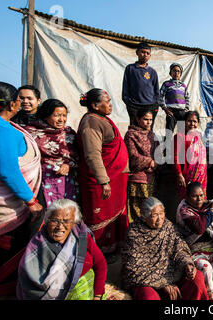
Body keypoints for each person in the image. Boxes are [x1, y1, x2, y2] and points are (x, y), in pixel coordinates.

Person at [0, 82, 43, 298]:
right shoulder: (2, 130)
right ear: (12, 104)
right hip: (7, 205)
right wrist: (31, 201)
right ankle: (4, 290)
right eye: (19, 99)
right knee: (9, 248)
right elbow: (7, 171)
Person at [17, 199, 107, 300]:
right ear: (47, 221)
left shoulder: (81, 236)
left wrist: (97, 296)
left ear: (74, 222)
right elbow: (29, 285)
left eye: (66, 221)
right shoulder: (37, 246)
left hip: (90, 291)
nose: (60, 227)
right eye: (55, 220)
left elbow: (100, 263)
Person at [121, 197, 209, 300]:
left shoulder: (167, 226)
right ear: (144, 217)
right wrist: (162, 284)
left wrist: (187, 264)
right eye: (154, 215)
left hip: (171, 275)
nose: (159, 219)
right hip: (146, 281)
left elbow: (179, 249)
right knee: (148, 297)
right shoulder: (134, 233)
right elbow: (134, 269)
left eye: (161, 213)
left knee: (196, 278)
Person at [77, 88, 129, 259]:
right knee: (99, 218)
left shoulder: (101, 119)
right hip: (102, 182)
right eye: (106, 102)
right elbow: (92, 154)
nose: (110, 105)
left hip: (114, 179)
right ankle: (98, 256)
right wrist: (103, 181)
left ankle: (113, 250)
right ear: (94, 105)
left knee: (114, 218)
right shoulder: (91, 122)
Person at [24, 99, 79, 208]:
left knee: (66, 211)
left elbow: (78, 155)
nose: (61, 119)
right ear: (46, 115)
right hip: (40, 180)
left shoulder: (69, 133)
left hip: (67, 181)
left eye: (64, 115)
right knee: (47, 212)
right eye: (57, 115)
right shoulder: (30, 132)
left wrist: (68, 165)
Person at [124, 109, 159, 223]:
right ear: (138, 119)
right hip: (137, 180)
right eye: (145, 119)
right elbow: (132, 155)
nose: (149, 122)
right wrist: (150, 162)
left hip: (151, 179)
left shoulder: (152, 135)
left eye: (151, 120)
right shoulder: (131, 134)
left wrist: (157, 162)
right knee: (138, 211)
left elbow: (158, 153)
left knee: (151, 210)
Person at [122, 42, 160, 126]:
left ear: (150, 55)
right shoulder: (130, 68)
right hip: (134, 106)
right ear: (137, 52)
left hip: (150, 106)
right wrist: (128, 102)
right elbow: (125, 86)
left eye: (148, 53)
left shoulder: (152, 72)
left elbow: (156, 90)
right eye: (142, 52)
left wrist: (156, 104)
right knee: (134, 129)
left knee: (148, 131)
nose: (145, 55)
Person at [173, 111, 208, 199]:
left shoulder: (199, 136)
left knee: (200, 200)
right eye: (189, 121)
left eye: (195, 121)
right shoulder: (179, 136)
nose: (192, 124)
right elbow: (175, 157)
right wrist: (179, 174)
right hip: (186, 176)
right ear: (184, 122)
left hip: (201, 176)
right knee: (187, 199)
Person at [159, 63, 190, 134]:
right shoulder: (166, 84)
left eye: (178, 71)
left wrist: (186, 109)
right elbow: (159, 96)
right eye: (174, 71)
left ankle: (179, 145)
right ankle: (167, 145)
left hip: (182, 112)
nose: (176, 73)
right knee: (169, 133)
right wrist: (165, 108)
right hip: (171, 112)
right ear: (170, 73)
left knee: (181, 134)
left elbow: (187, 97)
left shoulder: (183, 86)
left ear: (180, 74)